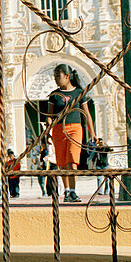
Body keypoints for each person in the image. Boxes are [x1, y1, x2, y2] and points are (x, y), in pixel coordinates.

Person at [46, 64, 96, 203]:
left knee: (72, 160)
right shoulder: (54, 95)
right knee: (61, 162)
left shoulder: (79, 93)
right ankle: (66, 190)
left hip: (75, 129)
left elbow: (86, 114)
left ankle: (73, 191)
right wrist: (48, 128)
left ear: (67, 76)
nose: (56, 79)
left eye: (58, 76)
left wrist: (92, 133)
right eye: (55, 76)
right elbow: (49, 116)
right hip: (58, 130)